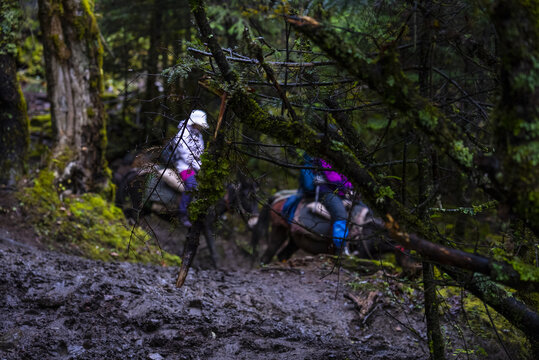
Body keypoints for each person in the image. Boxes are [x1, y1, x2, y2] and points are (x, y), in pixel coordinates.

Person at [165, 109, 208, 227]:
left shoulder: (199, 135)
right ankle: (182, 213)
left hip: (196, 167)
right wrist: (198, 167)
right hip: (183, 165)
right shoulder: (183, 133)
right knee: (192, 185)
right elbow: (185, 154)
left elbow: (200, 153)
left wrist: (202, 166)